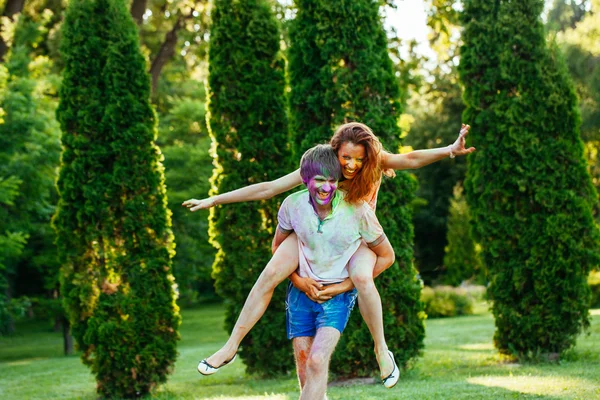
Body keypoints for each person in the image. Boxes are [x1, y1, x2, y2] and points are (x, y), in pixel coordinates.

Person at [185, 122, 474, 382]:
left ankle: (381, 349)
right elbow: (269, 188)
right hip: (315, 231)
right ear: (334, 151)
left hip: (355, 235)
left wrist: (449, 149)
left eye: (359, 159)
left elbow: (411, 158)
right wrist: (214, 200)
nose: (351, 165)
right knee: (271, 271)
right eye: (346, 157)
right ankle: (232, 345)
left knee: (362, 277)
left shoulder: (374, 163)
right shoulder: (320, 169)